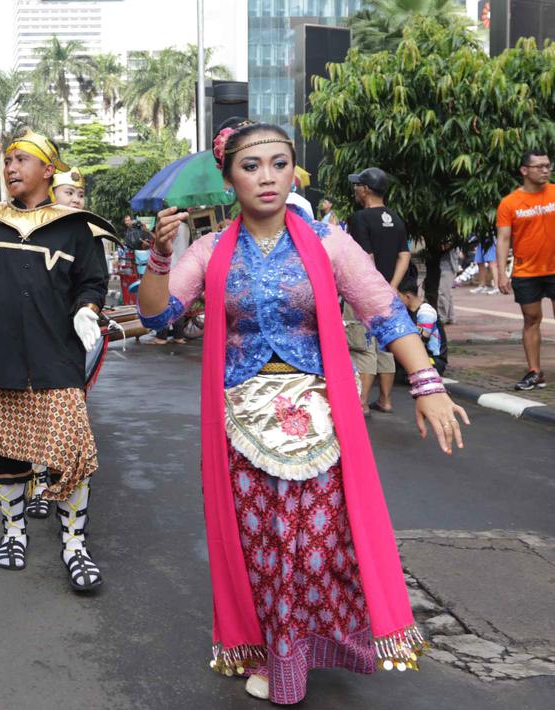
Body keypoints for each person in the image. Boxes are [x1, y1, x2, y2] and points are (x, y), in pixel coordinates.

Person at [141, 120, 468, 704]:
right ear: (227, 178)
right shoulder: (211, 250)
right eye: (250, 166)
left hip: (319, 417)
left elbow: (384, 312)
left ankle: (313, 645)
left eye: (279, 163)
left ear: (294, 170)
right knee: (263, 545)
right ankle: (275, 649)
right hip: (241, 418)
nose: (266, 177)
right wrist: (161, 259)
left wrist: (427, 383)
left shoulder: (327, 241)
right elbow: (160, 319)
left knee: (316, 545)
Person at [0, 129, 110, 591]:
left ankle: (75, 546)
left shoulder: (75, 226)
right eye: (7, 160)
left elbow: (92, 281)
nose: (10, 167)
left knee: (69, 454)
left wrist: (87, 309)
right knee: (4, 457)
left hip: (57, 358)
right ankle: (14, 533)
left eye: (21, 159)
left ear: (48, 169)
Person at [346, 167, 411, 414]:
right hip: (389, 293)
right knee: (386, 345)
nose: (355, 190)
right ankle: (385, 399)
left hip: (365, 291)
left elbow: (366, 257)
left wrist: (371, 287)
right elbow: (404, 254)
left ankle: (361, 403)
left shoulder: (360, 218)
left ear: (365, 189)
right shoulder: (396, 217)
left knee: (363, 347)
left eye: (357, 186)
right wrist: (391, 286)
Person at [495, 149, 555, 391]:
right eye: (539, 166)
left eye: (547, 166)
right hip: (527, 272)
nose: (545, 170)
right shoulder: (509, 203)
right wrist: (501, 272)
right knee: (531, 319)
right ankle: (534, 372)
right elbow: (503, 239)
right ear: (524, 170)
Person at [397, 268, 448, 375]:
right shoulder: (406, 312)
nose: (396, 300)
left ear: (408, 296)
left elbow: (421, 340)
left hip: (434, 360)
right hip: (419, 357)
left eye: (398, 297)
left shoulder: (426, 312)